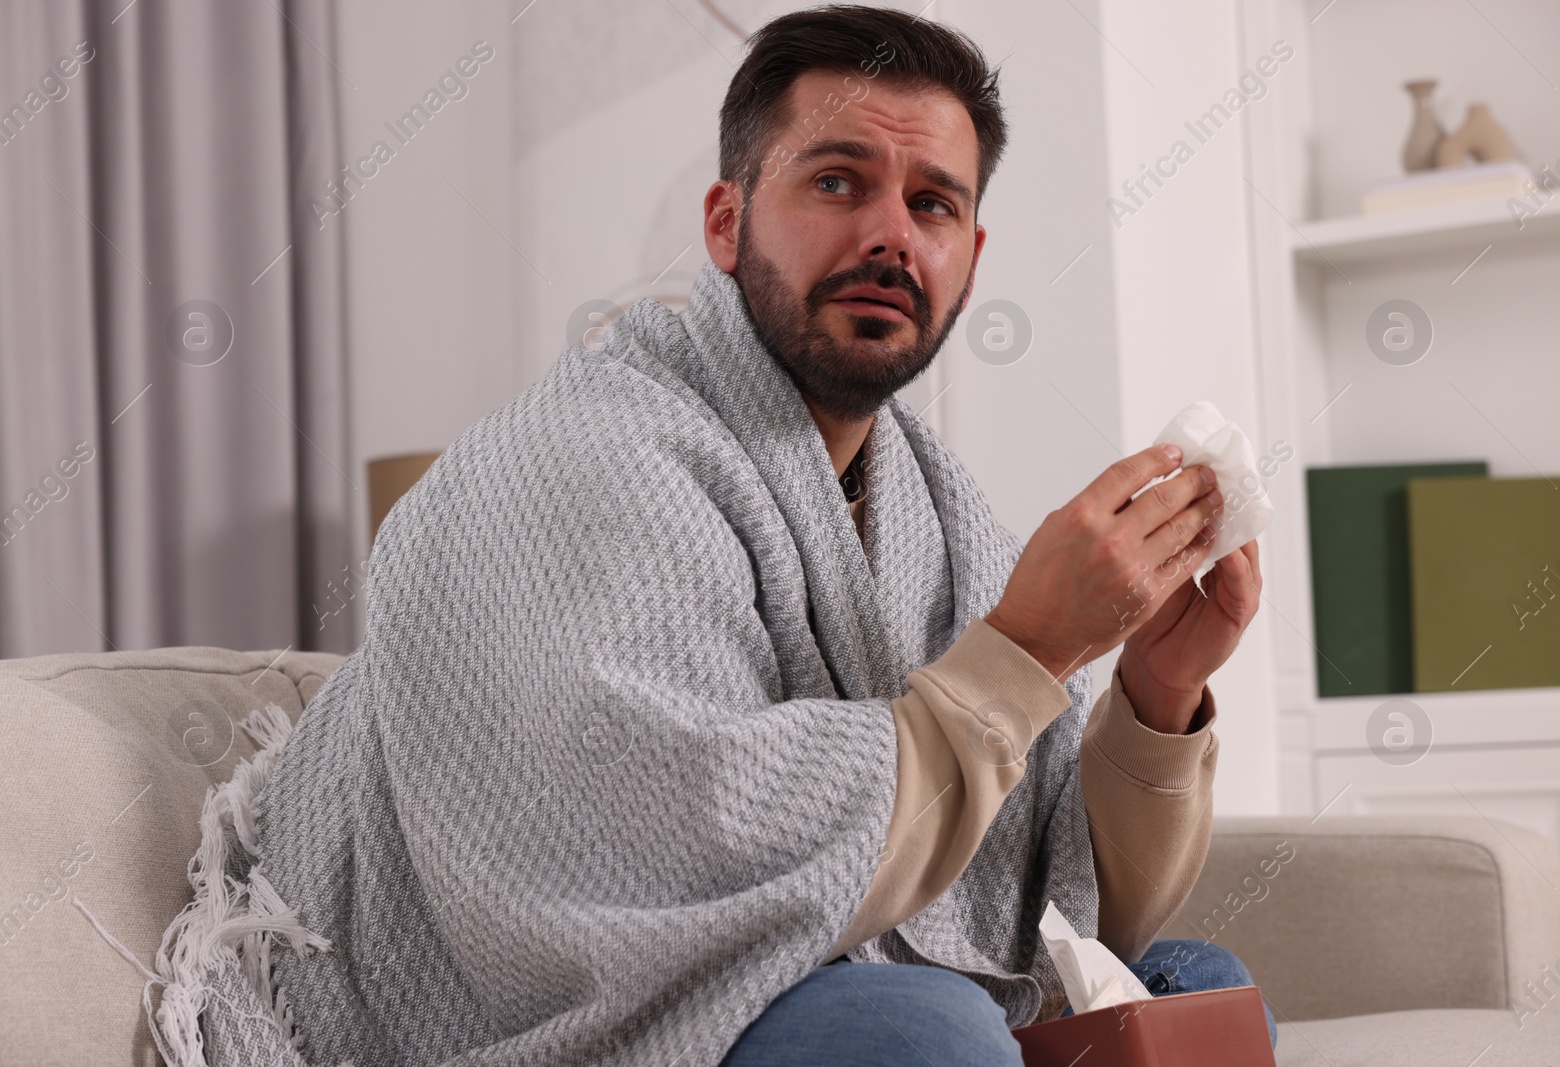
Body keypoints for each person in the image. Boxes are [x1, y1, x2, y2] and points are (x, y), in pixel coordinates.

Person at [147, 6, 1269, 1067]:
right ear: (726, 224)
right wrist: (1023, 648)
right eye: (838, 182)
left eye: (932, 205)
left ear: (969, 257)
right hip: (517, 1010)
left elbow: (1057, 899)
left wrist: (1156, 696)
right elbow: (645, 862)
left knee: (1192, 980)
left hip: (803, 970)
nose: (889, 234)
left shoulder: (938, 508)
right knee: (918, 1027)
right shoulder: (578, 457)